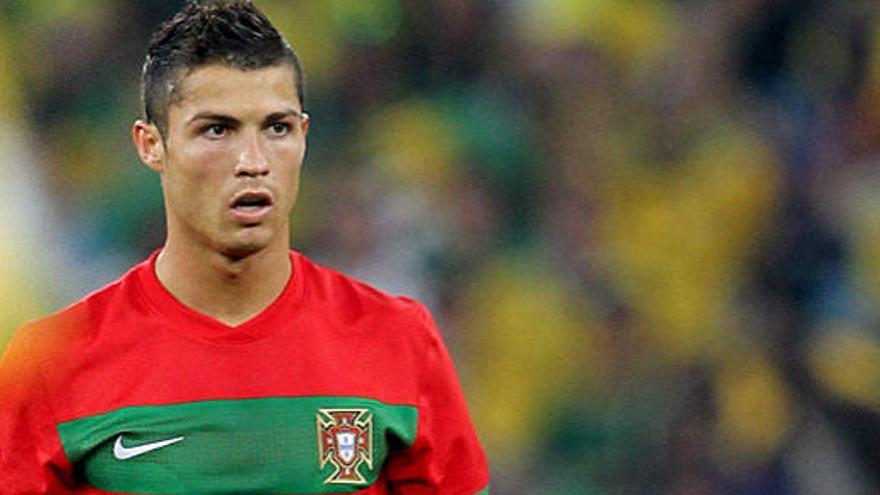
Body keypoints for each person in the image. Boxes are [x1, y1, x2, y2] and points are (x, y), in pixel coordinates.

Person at [0, 1, 490, 493]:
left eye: (276, 128)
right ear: (152, 145)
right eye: (217, 129)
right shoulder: (51, 365)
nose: (253, 161)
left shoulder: (398, 341)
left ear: (303, 137)